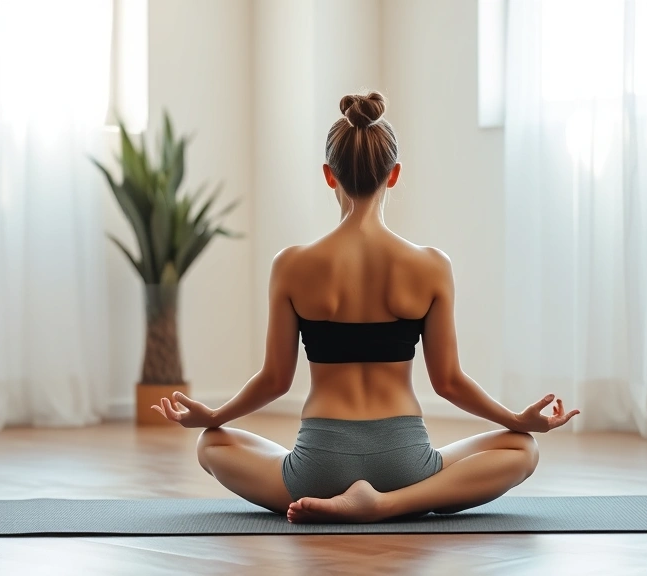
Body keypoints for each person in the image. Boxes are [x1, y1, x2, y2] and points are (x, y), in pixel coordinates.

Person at [151, 91, 579, 524]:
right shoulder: (430, 265)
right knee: (522, 449)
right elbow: (448, 382)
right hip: (406, 464)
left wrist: (216, 414)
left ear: (328, 175)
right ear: (393, 175)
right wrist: (515, 419)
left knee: (211, 444)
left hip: (317, 465)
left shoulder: (292, 265)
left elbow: (276, 380)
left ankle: (347, 498)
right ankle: (390, 503)